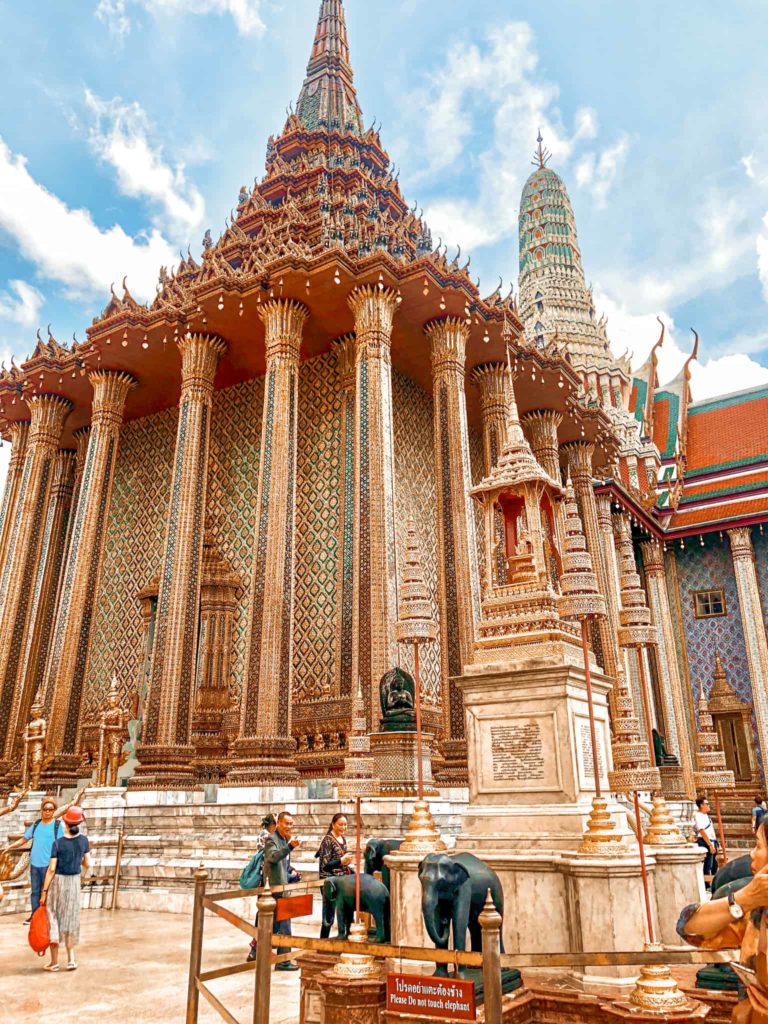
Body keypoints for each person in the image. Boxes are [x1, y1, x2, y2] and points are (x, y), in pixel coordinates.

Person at [678, 816, 768, 1017]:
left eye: (758, 845)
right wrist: (743, 899)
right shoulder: (756, 912)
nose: (752, 854)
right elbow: (689, 928)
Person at [0, 787, 86, 924]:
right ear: (42, 810)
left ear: (53, 811)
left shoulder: (57, 826)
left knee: (47, 892)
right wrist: (9, 847)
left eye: (50, 809)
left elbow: (62, 845)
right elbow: (24, 839)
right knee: (35, 892)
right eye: (45, 809)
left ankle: (47, 916)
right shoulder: (36, 825)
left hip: (49, 865)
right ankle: (35, 916)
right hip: (35, 864)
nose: (47, 812)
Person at [39, 806, 91, 972]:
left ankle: (54, 962)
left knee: (53, 916)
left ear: (66, 823)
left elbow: (52, 869)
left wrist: (44, 891)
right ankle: (71, 960)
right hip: (74, 882)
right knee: (71, 918)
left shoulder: (58, 844)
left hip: (59, 882)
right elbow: (88, 864)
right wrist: (78, 861)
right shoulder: (84, 841)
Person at [262, 811, 301, 971]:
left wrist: (292, 874)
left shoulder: (284, 839)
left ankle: (261, 953)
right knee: (284, 926)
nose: (289, 827)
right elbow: (273, 857)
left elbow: (282, 863)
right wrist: (290, 846)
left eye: (291, 824)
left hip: (283, 887)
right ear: (278, 823)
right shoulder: (272, 839)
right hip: (274, 889)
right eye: (286, 823)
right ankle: (283, 961)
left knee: (276, 926)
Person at [245, 814, 278, 963]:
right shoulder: (269, 837)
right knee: (265, 916)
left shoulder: (264, 835)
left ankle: (258, 948)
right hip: (266, 880)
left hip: (264, 881)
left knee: (264, 914)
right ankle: (257, 948)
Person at [316, 813, 354, 939]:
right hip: (329, 881)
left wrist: (347, 863)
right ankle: (323, 942)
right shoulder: (327, 840)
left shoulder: (343, 839)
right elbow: (325, 865)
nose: (343, 827)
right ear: (333, 824)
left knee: (345, 911)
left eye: (345, 824)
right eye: (340, 824)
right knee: (329, 915)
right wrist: (341, 861)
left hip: (342, 880)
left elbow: (341, 861)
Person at [694, 796, 719, 892]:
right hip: (705, 842)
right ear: (701, 805)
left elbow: (710, 831)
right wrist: (709, 845)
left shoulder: (707, 816)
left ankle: (713, 883)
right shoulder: (698, 816)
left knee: (714, 865)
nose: (709, 805)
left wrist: (716, 843)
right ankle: (707, 885)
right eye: (707, 804)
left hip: (712, 841)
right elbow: (702, 831)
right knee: (708, 865)